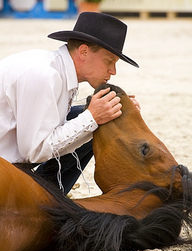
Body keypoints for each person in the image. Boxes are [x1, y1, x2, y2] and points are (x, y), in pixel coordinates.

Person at [0, 12, 139, 194]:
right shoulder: (45, 75)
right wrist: (92, 117)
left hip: (11, 157)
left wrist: (113, 109)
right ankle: (48, 201)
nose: (113, 71)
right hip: (7, 165)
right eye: (109, 61)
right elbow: (33, 151)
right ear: (83, 52)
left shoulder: (56, 69)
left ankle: (51, 195)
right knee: (93, 120)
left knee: (102, 117)